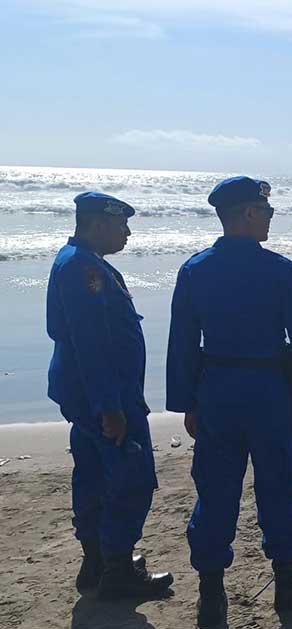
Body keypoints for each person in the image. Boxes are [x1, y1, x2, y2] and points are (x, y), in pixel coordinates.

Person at [166, 176, 292, 628]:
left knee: (215, 490)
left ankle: (212, 596)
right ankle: (284, 585)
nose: (270, 220)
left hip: (217, 390)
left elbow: (181, 342)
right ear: (246, 213)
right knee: (279, 487)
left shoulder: (195, 270)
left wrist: (186, 401)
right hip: (268, 392)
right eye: (266, 212)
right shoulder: (280, 270)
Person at [46, 192, 173, 598]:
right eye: (121, 225)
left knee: (94, 475)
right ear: (98, 224)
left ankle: (97, 562)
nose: (128, 233)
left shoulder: (84, 264)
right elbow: (92, 343)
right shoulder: (84, 270)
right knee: (130, 478)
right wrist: (110, 407)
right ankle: (116, 568)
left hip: (91, 395)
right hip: (105, 397)